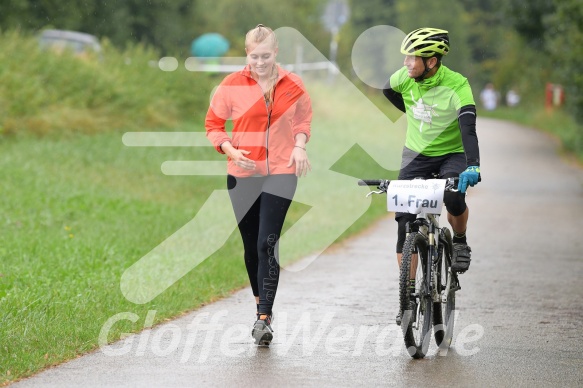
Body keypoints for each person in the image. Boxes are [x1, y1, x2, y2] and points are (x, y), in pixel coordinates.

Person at [205, 24, 313, 345]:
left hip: (282, 170)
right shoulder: (232, 84)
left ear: (276, 53)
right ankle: (260, 305)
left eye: (266, 56)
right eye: (255, 56)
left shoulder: (293, 83)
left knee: (267, 242)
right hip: (242, 173)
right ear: (246, 54)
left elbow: (302, 120)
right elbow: (213, 125)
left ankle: (263, 318)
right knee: (251, 245)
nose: (261, 62)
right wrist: (230, 150)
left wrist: (300, 144)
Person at [382, 27, 481, 324]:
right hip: (416, 154)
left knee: (452, 195)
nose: (406, 63)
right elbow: (388, 90)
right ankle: (407, 297)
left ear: (432, 61)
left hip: (453, 153)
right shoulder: (404, 78)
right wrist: (412, 111)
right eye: (406, 57)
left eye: (412, 58)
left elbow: (468, 127)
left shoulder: (457, 85)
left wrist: (473, 164)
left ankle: (460, 239)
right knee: (404, 219)